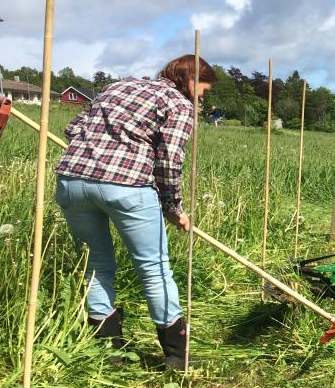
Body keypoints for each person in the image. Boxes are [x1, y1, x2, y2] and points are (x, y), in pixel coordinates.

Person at [55, 55, 217, 368]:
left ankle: (107, 350)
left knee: (96, 264)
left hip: (72, 181)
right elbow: (169, 161)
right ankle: (175, 356)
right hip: (127, 187)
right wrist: (173, 208)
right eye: (203, 90)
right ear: (191, 80)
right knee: (154, 268)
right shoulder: (180, 105)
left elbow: (72, 128)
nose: (201, 97)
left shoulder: (120, 86)